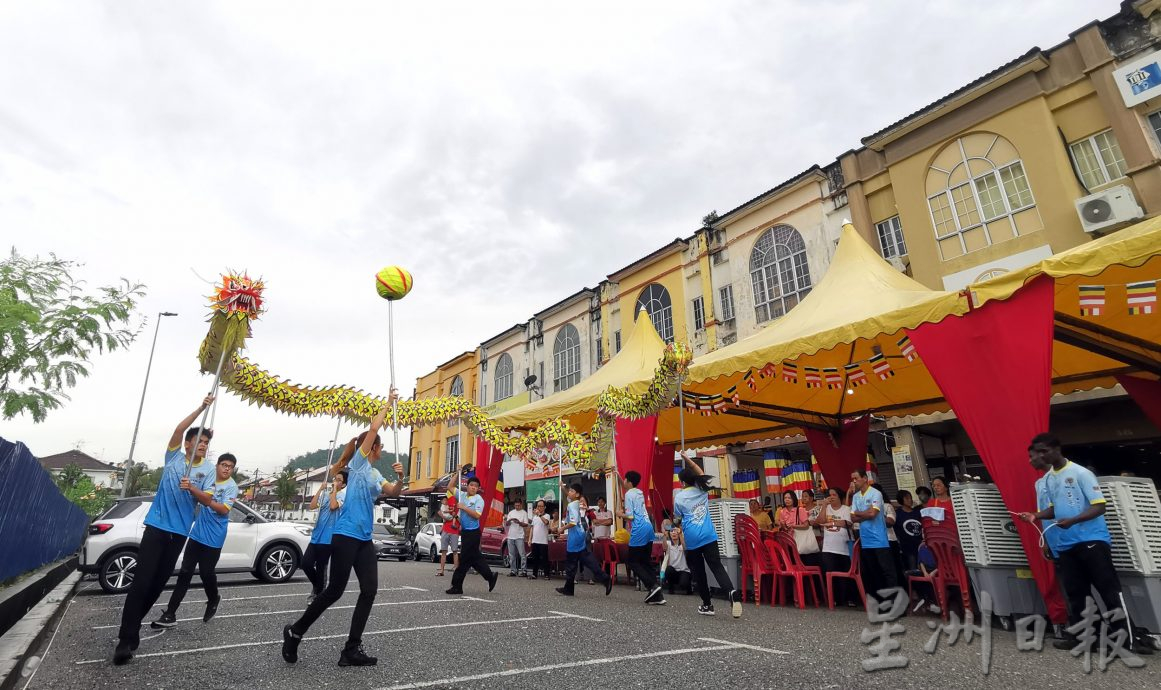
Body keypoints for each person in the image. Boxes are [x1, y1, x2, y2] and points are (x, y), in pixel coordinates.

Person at [283, 399, 405, 667]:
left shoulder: (374, 474)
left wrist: (400, 479)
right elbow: (372, 429)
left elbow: (393, 493)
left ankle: (351, 649)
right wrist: (387, 403)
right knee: (334, 591)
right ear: (372, 447)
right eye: (379, 445)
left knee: (369, 590)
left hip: (363, 540)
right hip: (345, 536)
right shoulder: (359, 464)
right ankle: (295, 632)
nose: (381, 449)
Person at [1018, 433, 1153, 655]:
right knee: (1076, 594)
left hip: (1091, 541)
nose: (1040, 456)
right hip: (1066, 545)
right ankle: (1086, 638)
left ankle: (1127, 641)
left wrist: (1073, 520)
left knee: (1109, 592)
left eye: (1043, 451)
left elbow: (1099, 506)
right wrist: (1035, 515)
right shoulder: (1049, 479)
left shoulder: (1081, 473)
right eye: (1037, 453)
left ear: (1056, 449)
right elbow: (1054, 508)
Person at [113, 396, 217, 665]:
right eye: (200, 441)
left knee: (158, 584)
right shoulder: (173, 457)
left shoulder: (208, 470)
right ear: (188, 444)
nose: (204, 445)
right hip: (157, 527)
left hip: (179, 533)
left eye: (207, 442)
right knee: (142, 582)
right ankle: (126, 639)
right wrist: (201, 408)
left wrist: (192, 489)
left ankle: (133, 628)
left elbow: (207, 500)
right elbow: (178, 430)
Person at [151, 452, 240, 628]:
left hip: (214, 537)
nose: (227, 469)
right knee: (185, 573)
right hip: (196, 534)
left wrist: (205, 499)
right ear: (217, 465)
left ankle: (213, 598)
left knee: (206, 573)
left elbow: (223, 509)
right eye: (224, 465)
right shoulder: (208, 478)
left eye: (230, 467)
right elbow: (193, 488)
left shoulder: (231, 487)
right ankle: (170, 614)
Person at [674, 457, 741, 618]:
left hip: (692, 539)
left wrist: (676, 522)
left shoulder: (679, 497)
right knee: (717, 566)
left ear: (682, 482)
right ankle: (731, 592)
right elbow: (701, 472)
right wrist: (687, 460)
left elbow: (678, 518)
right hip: (709, 535)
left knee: (699, 572)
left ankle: (707, 604)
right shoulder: (701, 488)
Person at [617, 470, 665, 605]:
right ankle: (657, 593)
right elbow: (627, 488)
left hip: (638, 529)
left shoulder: (628, 495)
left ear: (629, 482)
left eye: (625, 479)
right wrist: (620, 477)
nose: (624, 482)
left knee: (632, 561)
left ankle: (652, 586)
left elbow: (631, 516)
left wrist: (620, 514)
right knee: (645, 561)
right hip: (648, 526)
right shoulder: (638, 492)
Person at [556, 483, 613, 597]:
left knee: (572, 562)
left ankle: (604, 579)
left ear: (577, 494)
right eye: (570, 491)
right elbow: (569, 495)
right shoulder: (576, 502)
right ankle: (603, 579)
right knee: (585, 559)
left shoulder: (572, 505)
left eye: (572, 491)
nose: (569, 493)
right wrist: (563, 488)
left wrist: (562, 528)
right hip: (580, 534)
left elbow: (573, 522)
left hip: (575, 536)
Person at [445, 476, 500, 595]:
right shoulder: (462, 495)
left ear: (478, 488)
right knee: (475, 559)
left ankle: (456, 586)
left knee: (464, 560)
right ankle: (490, 576)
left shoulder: (479, 499)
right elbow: (450, 486)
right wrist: (457, 473)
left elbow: (477, 515)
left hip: (473, 533)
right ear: (467, 486)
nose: (474, 488)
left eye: (476, 486)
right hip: (465, 532)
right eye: (472, 485)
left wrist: (463, 507)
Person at [850, 469, 897, 599]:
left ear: (865, 478)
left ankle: (894, 601)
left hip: (879, 538)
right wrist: (865, 513)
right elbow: (853, 517)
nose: (854, 481)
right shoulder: (856, 496)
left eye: (856, 478)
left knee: (887, 571)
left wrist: (860, 513)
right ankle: (880, 601)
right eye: (852, 479)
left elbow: (873, 514)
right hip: (865, 539)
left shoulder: (875, 493)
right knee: (872, 572)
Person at [301, 470, 347, 599]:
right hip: (316, 536)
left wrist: (334, 491)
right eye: (335, 479)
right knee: (306, 563)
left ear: (343, 485)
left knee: (321, 567)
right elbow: (312, 506)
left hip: (329, 538)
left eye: (339, 480)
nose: (335, 481)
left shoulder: (343, 496)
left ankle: (318, 593)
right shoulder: (325, 494)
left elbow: (333, 506)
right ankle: (318, 587)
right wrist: (321, 490)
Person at [819, 488, 855, 607]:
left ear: (840, 497)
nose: (832, 497)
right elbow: (820, 521)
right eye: (829, 495)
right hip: (828, 547)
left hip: (844, 547)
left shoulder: (846, 509)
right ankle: (833, 599)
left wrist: (833, 523)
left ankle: (849, 598)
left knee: (846, 574)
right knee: (830, 573)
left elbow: (848, 523)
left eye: (834, 495)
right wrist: (824, 506)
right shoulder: (826, 508)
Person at [778, 490, 820, 567]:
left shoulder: (800, 510)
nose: (787, 500)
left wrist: (793, 526)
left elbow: (806, 525)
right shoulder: (782, 512)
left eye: (789, 498)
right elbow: (783, 528)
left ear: (794, 499)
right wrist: (782, 525)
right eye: (785, 498)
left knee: (804, 563)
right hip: (788, 542)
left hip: (800, 540)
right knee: (792, 564)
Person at [894, 490, 923, 572]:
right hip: (907, 546)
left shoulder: (917, 512)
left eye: (910, 498)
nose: (910, 500)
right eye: (907, 498)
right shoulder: (898, 514)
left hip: (920, 544)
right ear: (901, 500)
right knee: (912, 568)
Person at [526, 499, 551, 580]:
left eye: (541, 506)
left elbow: (546, 522)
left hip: (543, 541)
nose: (539, 508)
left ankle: (546, 574)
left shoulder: (547, 515)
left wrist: (540, 515)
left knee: (544, 558)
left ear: (545, 507)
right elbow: (532, 529)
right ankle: (534, 574)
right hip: (535, 540)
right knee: (535, 558)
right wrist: (530, 539)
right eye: (538, 506)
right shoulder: (535, 517)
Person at [664, 526, 693, 595]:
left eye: (675, 531)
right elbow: (664, 547)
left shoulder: (682, 543)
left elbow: (685, 547)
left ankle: (688, 587)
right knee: (668, 569)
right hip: (673, 570)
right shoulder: (668, 543)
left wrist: (680, 534)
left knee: (683, 585)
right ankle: (671, 588)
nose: (674, 533)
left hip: (684, 570)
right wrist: (664, 536)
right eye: (672, 531)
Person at [504, 499, 530, 577]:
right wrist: (510, 520)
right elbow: (507, 524)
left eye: (518, 505)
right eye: (516, 505)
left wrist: (519, 522)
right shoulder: (511, 512)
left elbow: (526, 524)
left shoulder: (524, 513)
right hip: (510, 536)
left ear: (521, 505)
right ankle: (513, 570)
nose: (517, 507)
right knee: (511, 554)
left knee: (522, 554)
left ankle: (524, 571)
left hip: (519, 536)